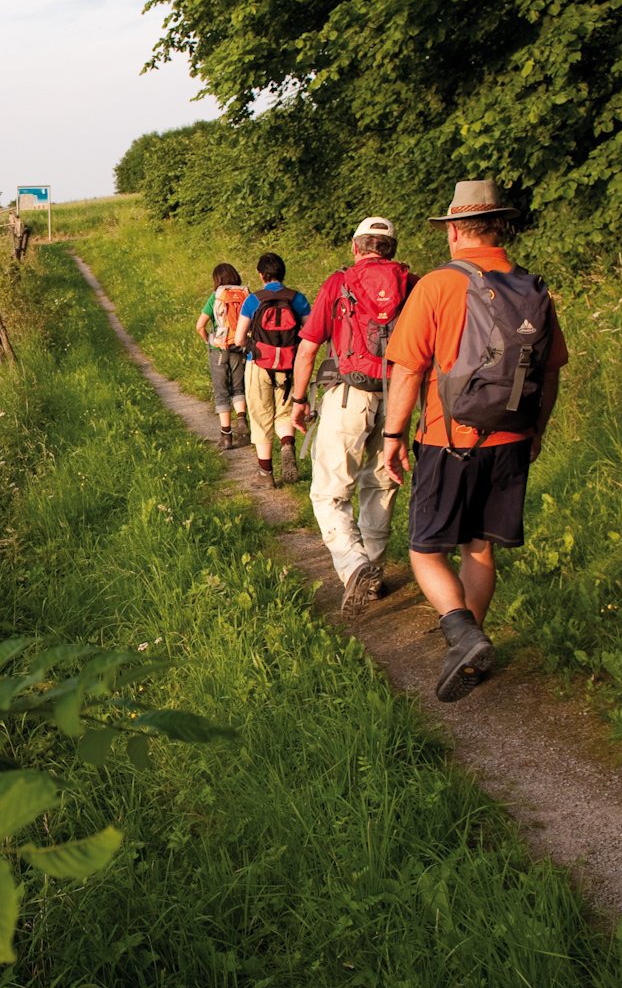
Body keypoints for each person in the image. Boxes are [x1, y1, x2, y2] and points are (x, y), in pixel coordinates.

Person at [381, 180, 568, 702]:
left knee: (424, 550)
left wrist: (394, 436)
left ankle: (461, 633)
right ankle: (471, 651)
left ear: (456, 230)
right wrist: (535, 431)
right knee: (480, 547)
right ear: (499, 226)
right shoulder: (532, 287)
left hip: (450, 439)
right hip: (511, 438)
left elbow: (407, 371)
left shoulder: (438, 286)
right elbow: (549, 375)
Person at [288, 217, 413, 613]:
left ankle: (355, 565)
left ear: (356, 248)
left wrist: (298, 401)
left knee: (328, 492)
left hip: (348, 396)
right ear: (390, 249)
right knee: (380, 485)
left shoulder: (340, 282)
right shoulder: (412, 285)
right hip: (398, 398)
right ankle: (372, 572)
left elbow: (308, 348)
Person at [233, 252, 311, 485]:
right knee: (285, 413)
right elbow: (310, 334)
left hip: (258, 364)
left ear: (261, 274)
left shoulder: (253, 300)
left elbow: (238, 339)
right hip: (289, 366)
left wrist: (255, 346)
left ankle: (265, 474)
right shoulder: (297, 299)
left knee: (260, 416)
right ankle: (286, 444)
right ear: (282, 273)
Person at [195, 262, 249, 449]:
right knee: (238, 388)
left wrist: (209, 341)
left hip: (219, 349)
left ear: (217, 279)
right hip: (239, 347)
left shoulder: (215, 296)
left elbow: (199, 326)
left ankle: (226, 436)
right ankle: (242, 419)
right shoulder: (245, 295)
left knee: (221, 392)